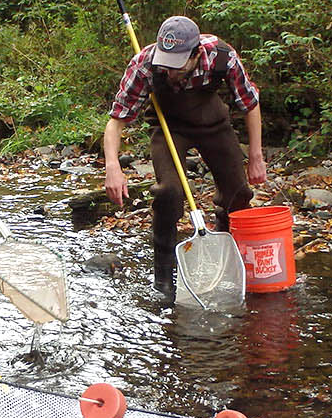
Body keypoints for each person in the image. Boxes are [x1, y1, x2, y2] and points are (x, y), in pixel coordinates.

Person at [102, 15, 267, 298]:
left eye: (176, 65)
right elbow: (116, 121)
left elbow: (250, 104)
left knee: (238, 194)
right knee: (168, 193)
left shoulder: (221, 56)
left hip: (214, 125)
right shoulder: (145, 64)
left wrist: (255, 155)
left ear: (196, 54)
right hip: (169, 129)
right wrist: (113, 166)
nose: (168, 72)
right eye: (165, 64)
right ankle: (163, 280)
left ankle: (226, 260)